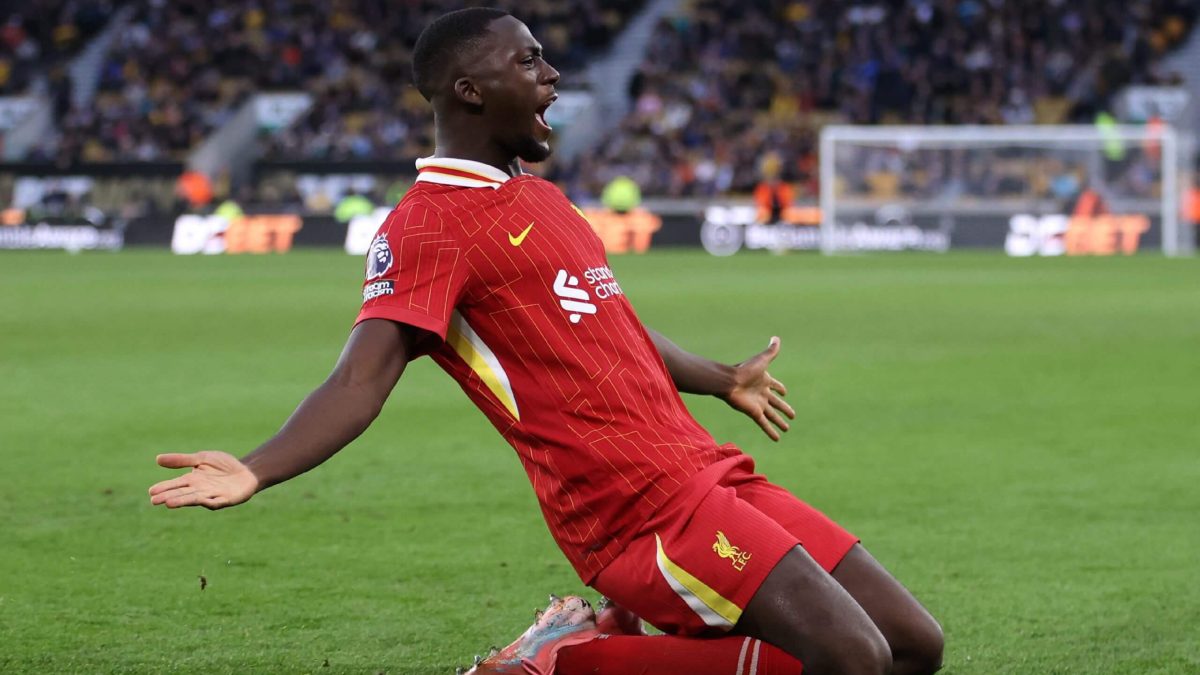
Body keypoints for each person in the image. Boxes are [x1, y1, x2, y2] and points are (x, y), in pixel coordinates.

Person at [148, 9, 943, 675]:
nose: (553, 75)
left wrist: (723, 376)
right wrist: (257, 466)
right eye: (529, 61)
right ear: (470, 89)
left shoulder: (543, 200)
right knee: (853, 658)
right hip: (636, 509)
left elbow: (615, 326)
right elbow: (359, 380)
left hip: (704, 471)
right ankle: (570, 662)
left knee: (913, 645)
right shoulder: (426, 227)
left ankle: (592, 650)